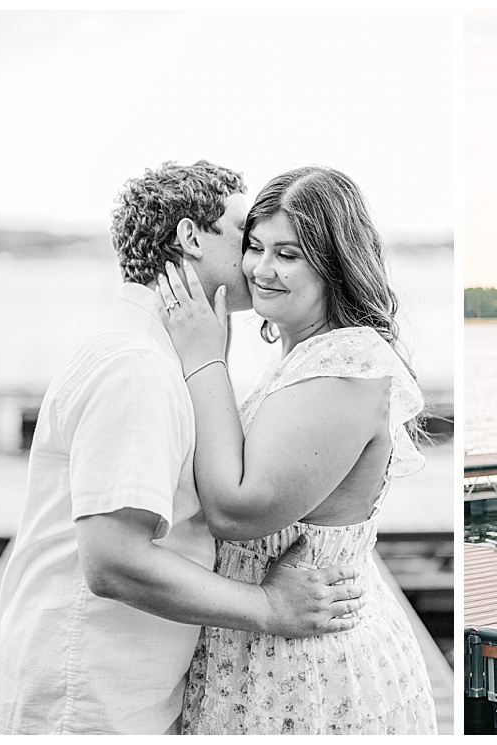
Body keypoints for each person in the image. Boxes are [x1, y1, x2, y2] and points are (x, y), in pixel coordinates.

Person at [0, 161, 365, 736]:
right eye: (244, 234)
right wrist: (268, 607)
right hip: (90, 698)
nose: (254, 259)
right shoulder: (136, 366)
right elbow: (113, 560)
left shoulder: (157, 352)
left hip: (119, 690)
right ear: (191, 237)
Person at [158, 165, 437, 734]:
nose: (262, 270)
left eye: (289, 253)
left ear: (334, 263)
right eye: (254, 246)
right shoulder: (304, 355)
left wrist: (204, 357)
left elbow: (237, 511)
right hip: (273, 650)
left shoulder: (346, 364)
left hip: (308, 673)